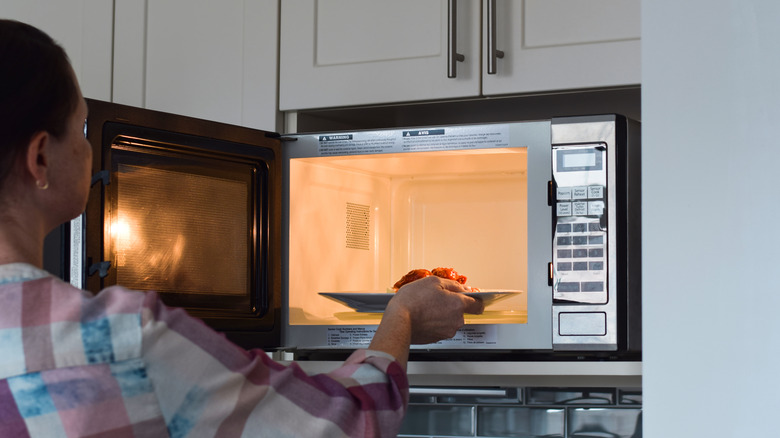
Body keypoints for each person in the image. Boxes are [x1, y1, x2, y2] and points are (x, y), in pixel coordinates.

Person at [0, 19, 484, 438]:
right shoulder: (123, 339)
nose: (89, 153)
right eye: (82, 131)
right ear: (41, 156)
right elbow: (344, 424)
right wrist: (400, 317)